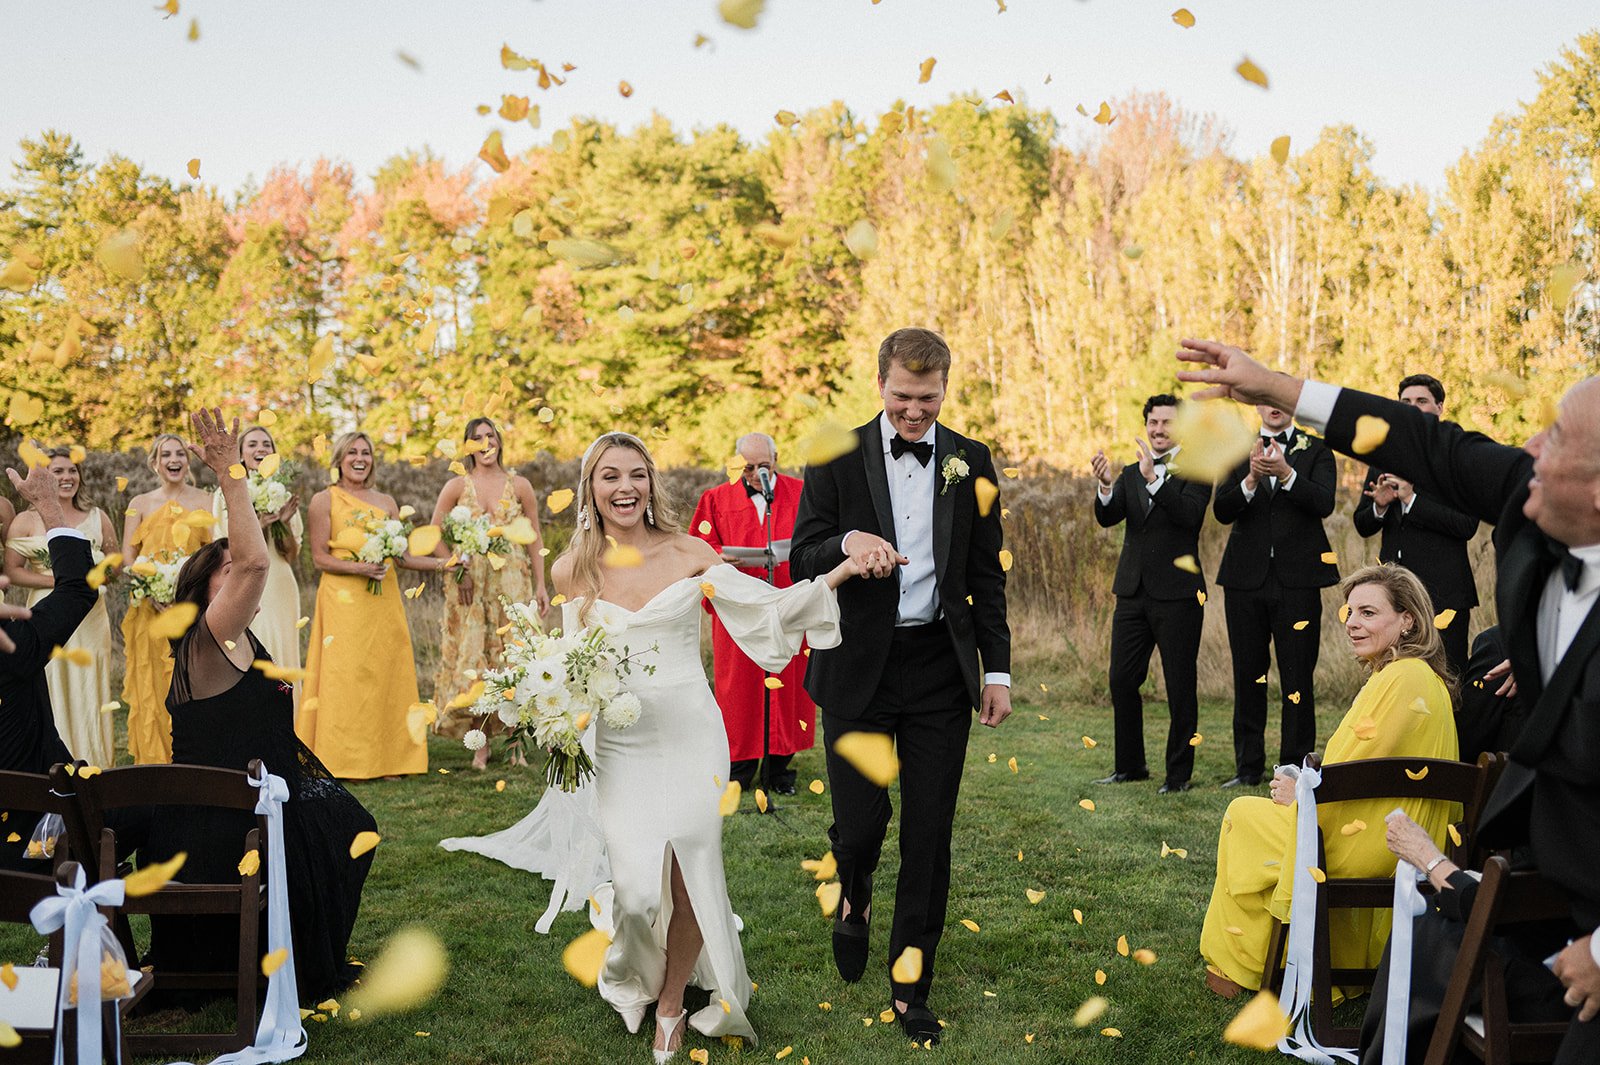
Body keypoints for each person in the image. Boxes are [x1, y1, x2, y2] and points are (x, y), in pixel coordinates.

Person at [1177, 338, 1600, 1061]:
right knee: (1408, 1020)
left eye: (1557, 435)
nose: (1530, 445)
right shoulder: (1533, 501)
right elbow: (1424, 443)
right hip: (1536, 865)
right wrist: (1275, 384)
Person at [552, 431, 856, 1061]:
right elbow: (568, 666)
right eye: (610, 476)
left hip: (692, 732)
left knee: (691, 869)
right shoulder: (571, 569)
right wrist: (553, 709)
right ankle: (631, 975)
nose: (625, 487)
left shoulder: (691, 550)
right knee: (635, 892)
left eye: (637, 474)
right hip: (620, 745)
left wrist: (839, 573)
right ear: (591, 489)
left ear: (651, 483)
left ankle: (670, 1008)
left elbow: (763, 608)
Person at [791, 327, 1012, 1046]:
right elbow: (802, 554)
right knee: (861, 826)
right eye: (901, 397)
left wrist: (997, 670)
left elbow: (986, 576)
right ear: (878, 383)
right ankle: (852, 896)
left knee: (928, 833)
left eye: (927, 399)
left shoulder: (971, 461)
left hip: (938, 673)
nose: (914, 413)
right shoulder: (836, 456)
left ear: (946, 387)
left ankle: (911, 984)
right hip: (858, 666)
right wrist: (849, 546)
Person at [140, 409, 377, 1004]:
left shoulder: (243, 638)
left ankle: (297, 945)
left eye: (234, 568)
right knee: (339, 828)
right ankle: (272, 957)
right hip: (221, 817)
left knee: (352, 825)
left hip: (259, 792)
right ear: (204, 588)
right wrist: (230, 476)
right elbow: (254, 560)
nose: (240, 576)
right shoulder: (204, 639)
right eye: (225, 571)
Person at [1199, 564, 1459, 997]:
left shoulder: (1401, 678)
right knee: (1258, 818)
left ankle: (1237, 966)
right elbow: (1363, 769)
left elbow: (1348, 777)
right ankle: (1301, 961)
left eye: (1369, 613)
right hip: (1391, 828)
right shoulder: (1413, 675)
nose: (1353, 624)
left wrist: (1298, 794)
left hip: (1376, 841)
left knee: (1242, 814)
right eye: (1350, 613)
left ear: (1407, 619)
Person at [298, 432, 440, 780]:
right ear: (339, 459)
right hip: (342, 600)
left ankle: (390, 760)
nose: (359, 458)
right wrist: (359, 567)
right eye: (352, 452)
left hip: (383, 599)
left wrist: (445, 564)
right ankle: (341, 760)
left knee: (384, 674)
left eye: (366, 452)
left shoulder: (387, 502)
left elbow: (403, 558)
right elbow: (319, 557)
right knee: (344, 676)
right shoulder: (323, 500)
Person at [1213, 405, 1340, 788]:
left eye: (1280, 398)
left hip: (1298, 580)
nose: (1273, 405)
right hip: (1244, 580)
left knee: (1297, 676)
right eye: (1265, 398)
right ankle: (1248, 767)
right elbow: (1221, 510)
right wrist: (1251, 479)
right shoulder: (1238, 450)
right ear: (1257, 405)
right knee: (1248, 674)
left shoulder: (1315, 450)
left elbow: (1324, 502)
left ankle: (1295, 768)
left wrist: (1286, 474)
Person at [1090, 394, 1212, 794]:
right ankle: (1130, 765)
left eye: (1167, 423)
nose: (1159, 430)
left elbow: (1189, 517)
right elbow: (1109, 517)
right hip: (1132, 591)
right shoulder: (1129, 471)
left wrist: (1154, 480)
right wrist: (1107, 487)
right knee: (1122, 679)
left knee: (1180, 685)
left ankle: (1178, 776)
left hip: (1179, 595)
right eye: (1153, 423)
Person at [689, 431, 814, 795]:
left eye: (763, 466)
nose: (755, 473)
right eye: (747, 467)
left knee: (787, 684)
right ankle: (739, 771)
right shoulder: (715, 499)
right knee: (739, 689)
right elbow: (698, 544)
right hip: (738, 610)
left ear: (775, 462)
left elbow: (817, 537)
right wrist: (718, 557)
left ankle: (779, 771)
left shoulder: (801, 493)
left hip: (787, 602)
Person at [428, 417, 549, 770]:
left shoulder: (520, 485)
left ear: (499, 441)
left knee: (512, 660)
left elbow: (534, 536)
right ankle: (480, 746)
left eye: (490, 436)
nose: (484, 443)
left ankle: (515, 744)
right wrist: (458, 567)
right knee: (477, 662)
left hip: (511, 580)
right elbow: (434, 533)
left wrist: (541, 585)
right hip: (471, 586)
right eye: (476, 438)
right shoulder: (456, 487)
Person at [0, 461, 98, 869]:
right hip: (31, 839)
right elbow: (78, 587)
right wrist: (48, 506)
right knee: (152, 815)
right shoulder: (12, 646)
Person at [1352, 374, 1480, 676]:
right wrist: (1379, 506)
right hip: (1393, 598)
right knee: (1393, 678)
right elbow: (1362, 524)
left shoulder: (1458, 457)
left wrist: (1411, 499)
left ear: (1439, 407)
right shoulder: (1383, 454)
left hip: (1444, 594)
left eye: (1421, 401)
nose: (1412, 407)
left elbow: (1467, 525)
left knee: (1446, 680)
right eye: (1405, 402)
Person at [3, 449, 118, 767]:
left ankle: (96, 761)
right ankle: (56, 764)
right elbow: (12, 571)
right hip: (48, 608)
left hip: (92, 617)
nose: (67, 477)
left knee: (89, 683)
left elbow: (114, 561)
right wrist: (66, 582)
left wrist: (100, 572)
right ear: (43, 479)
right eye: (58, 471)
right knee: (51, 682)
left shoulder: (98, 515)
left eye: (72, 471)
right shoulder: (24, 521)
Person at [120, 433, 216, 764]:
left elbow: (215, 556)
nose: (173, 459)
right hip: (150, 612)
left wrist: (189, 596)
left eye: (180, 454)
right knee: (154, 686)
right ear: (154, 463)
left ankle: (195, 762)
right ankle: (155, 762)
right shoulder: (139, 504)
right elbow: (128, 560)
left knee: (191, 682)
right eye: (166, 454)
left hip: (192, 611)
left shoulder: (206, 501)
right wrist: (151, 591)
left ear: (188, 462)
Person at [212, 424, 303, 706]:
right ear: (240, 453)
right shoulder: (225, 494)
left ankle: (288, 726)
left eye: (266, 444)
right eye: (252, 444)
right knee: (250, 649)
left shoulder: (282, 492)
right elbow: (226, 552)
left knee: (282, 651)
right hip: (245, 586)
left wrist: (283, 524)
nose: (260, 449)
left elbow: (290, 553)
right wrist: (260, 525)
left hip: (280, 584)